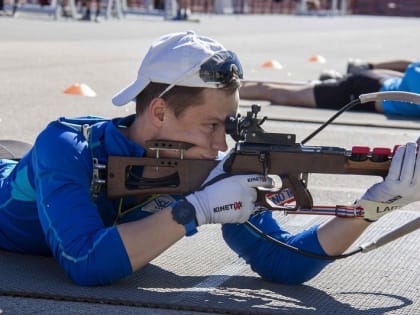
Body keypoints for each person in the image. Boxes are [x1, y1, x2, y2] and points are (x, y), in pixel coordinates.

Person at [0, 31, 419, 287]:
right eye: (211, 125)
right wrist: (193, 211)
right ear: (160, 112)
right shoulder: (68, 145)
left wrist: (373, 206)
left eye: (229, 126)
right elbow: (84, 263)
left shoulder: (204, 164)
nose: (222, 146)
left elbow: (283, 261)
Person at [239, 58, 420, 117]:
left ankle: (232, 86)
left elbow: (409, 67)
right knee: (280, 94)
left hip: (375, 82)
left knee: (286, 89)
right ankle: (229, 90)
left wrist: (371, 67)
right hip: (362, 93)